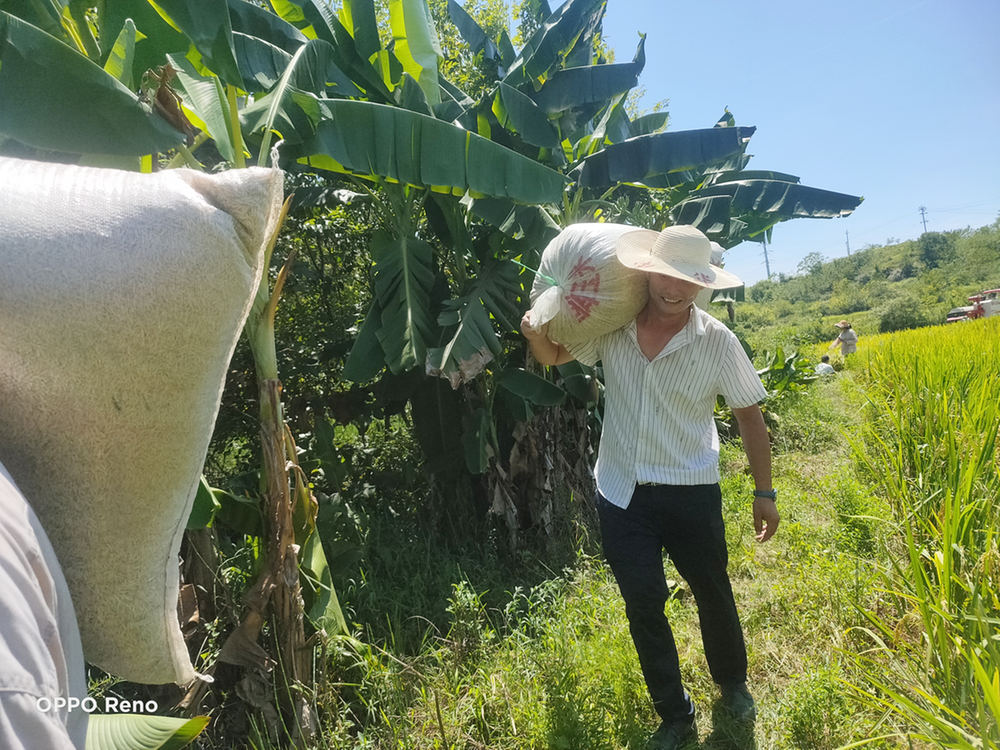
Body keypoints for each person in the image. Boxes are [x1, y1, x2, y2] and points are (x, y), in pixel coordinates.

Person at [521, 225, 779, 750]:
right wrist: (532, 332)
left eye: (688, 280)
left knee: (712, 590)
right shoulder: (613, 327)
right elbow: (552, 356)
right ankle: (674, 713)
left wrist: (764, 492)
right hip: (621, 492)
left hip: (689, 487)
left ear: (703, 283)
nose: (675, 289)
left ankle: (732, 685)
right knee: (643, 602)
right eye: (665, 275)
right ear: (647, 272)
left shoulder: (717, 341)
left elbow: (750, 417)